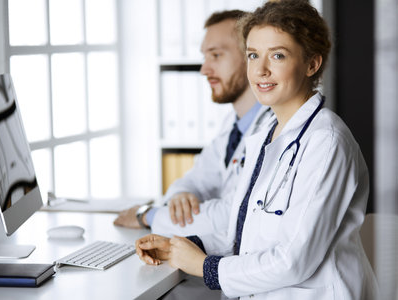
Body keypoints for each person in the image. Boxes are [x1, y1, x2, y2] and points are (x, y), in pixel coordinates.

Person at [135, 1, 378, 299]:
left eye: (277, 55)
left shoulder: (326, 142)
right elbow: (244, 234)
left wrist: (204, 266)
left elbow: (293, 261)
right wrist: (179, 247)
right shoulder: (265, 134)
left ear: (312, 64)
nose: (261, 70)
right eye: (253, 55)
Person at [114, 10, 272, 237]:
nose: (204, 69)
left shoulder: (275, 129)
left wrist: (147, 216)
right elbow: (195, 179)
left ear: (252, 56)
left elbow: (234, 216)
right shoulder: (233, 126)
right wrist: (181, 196)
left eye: (216, 55)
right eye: (205, 57)